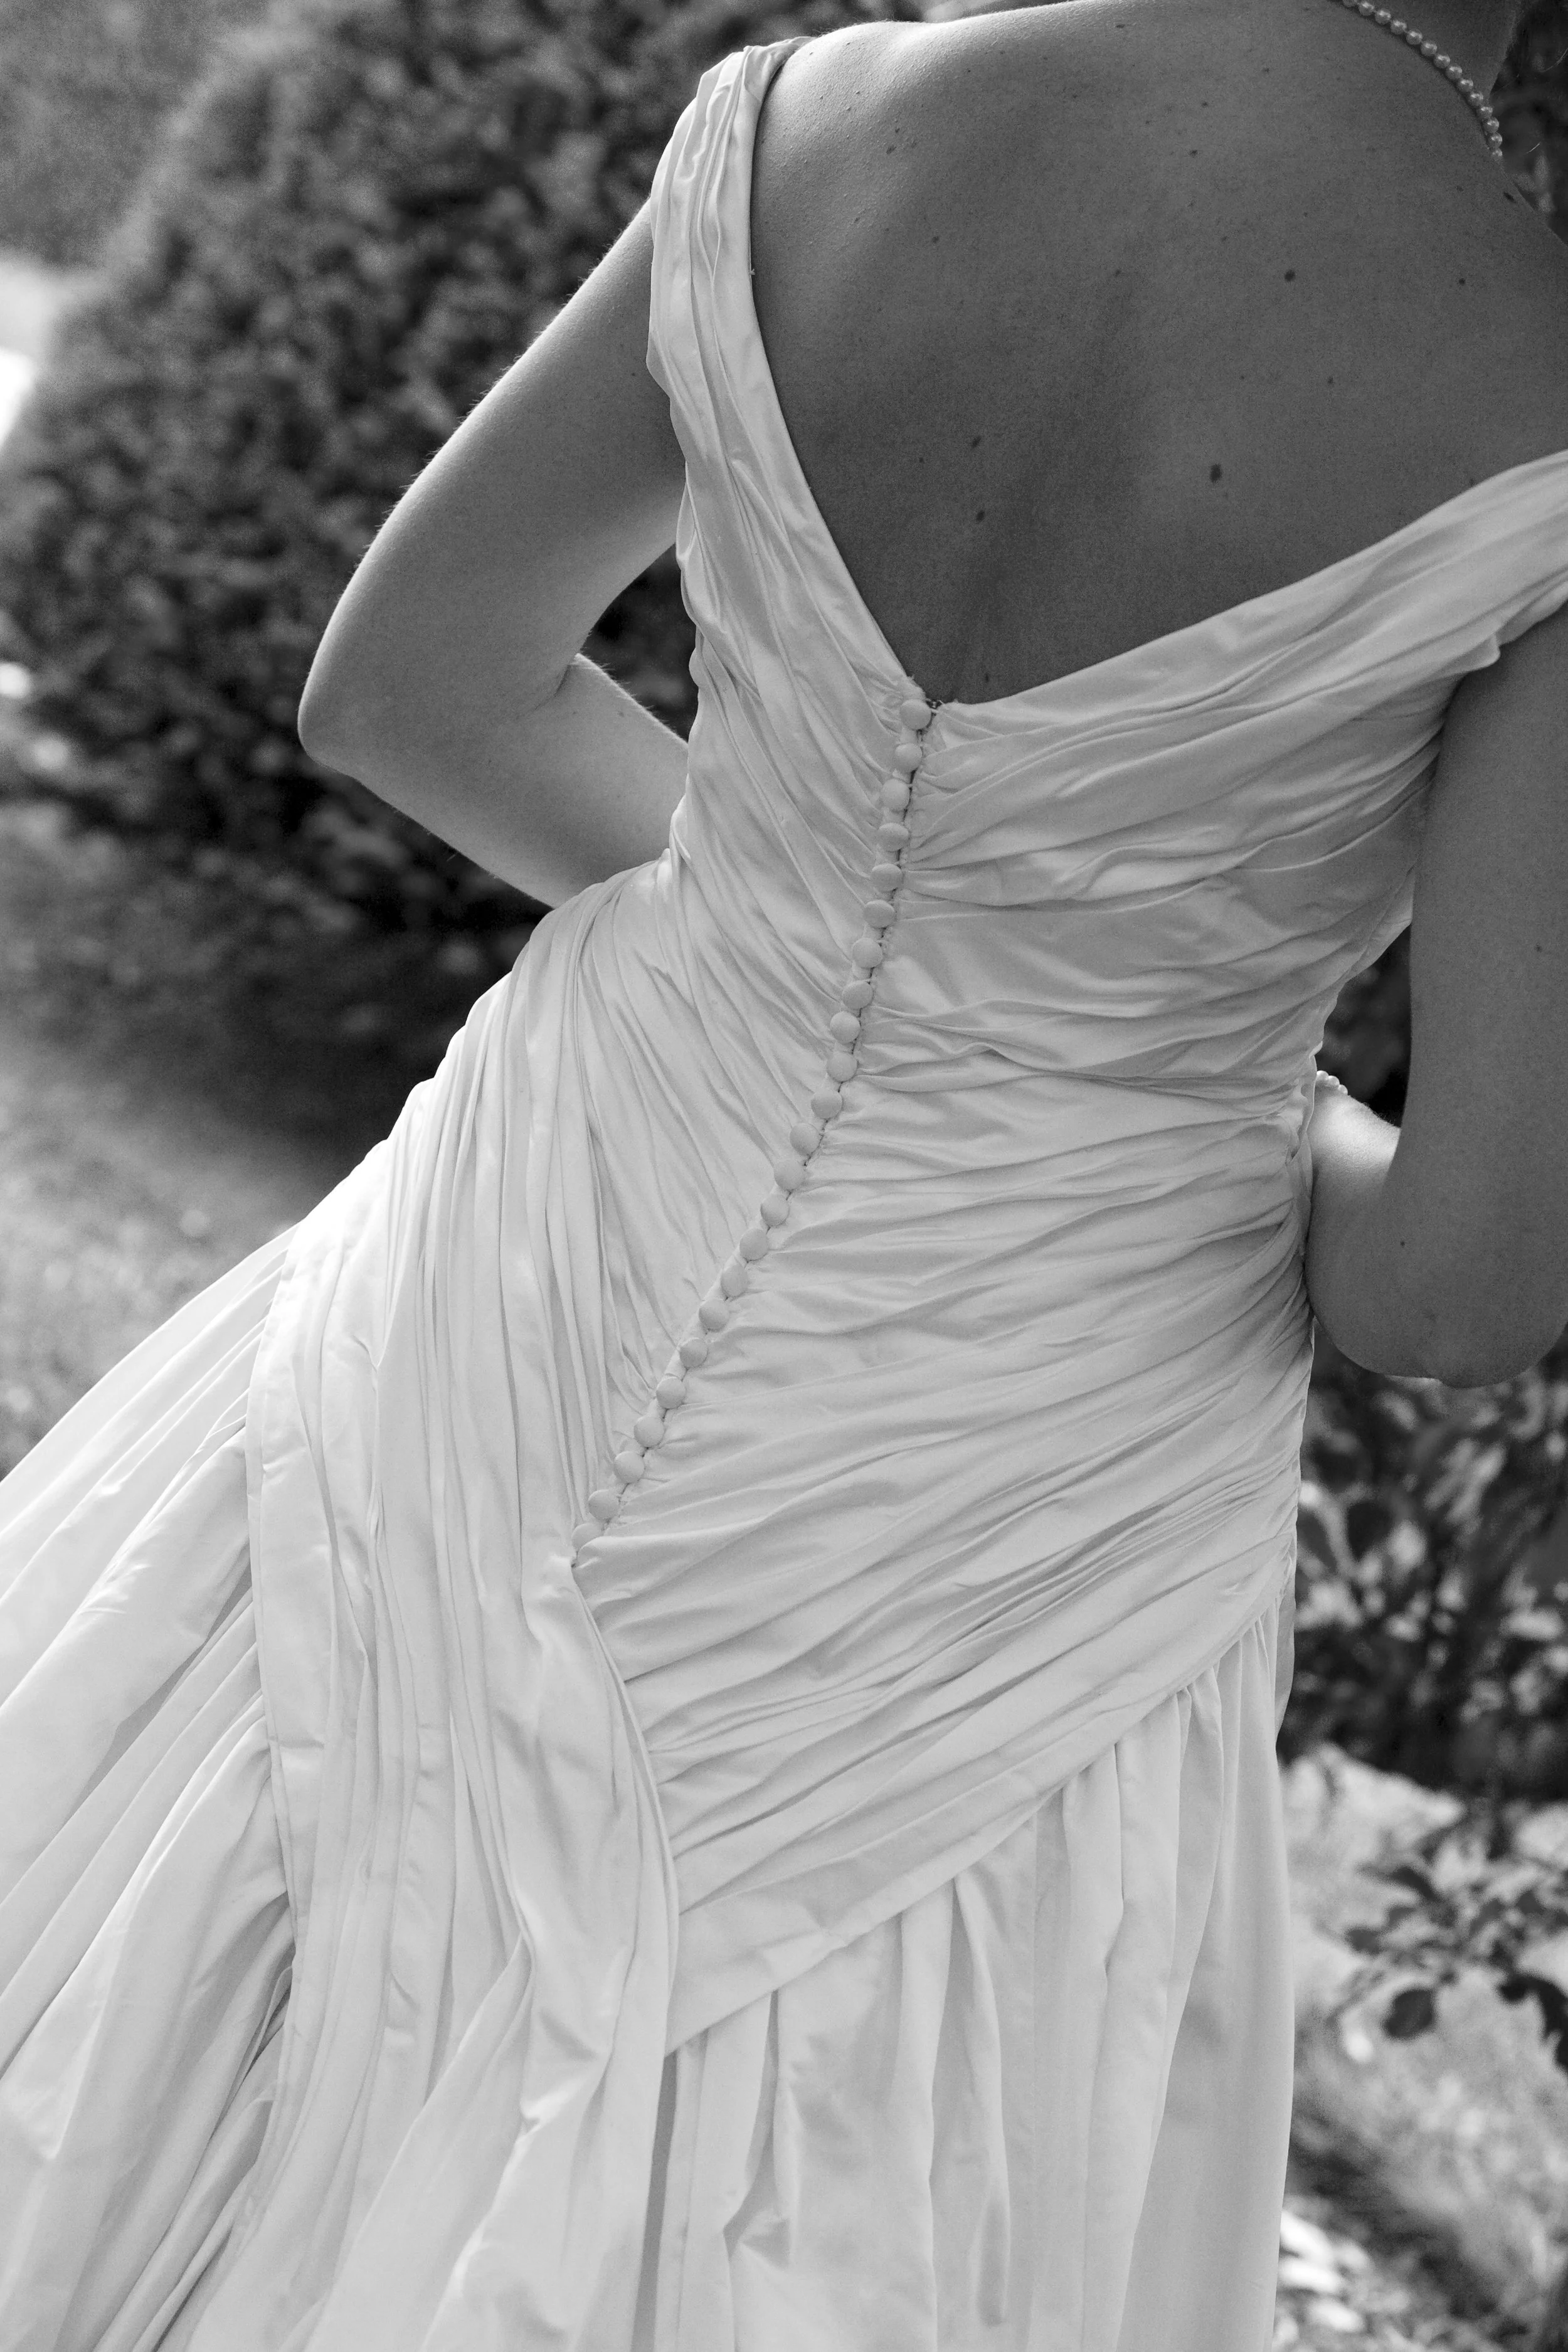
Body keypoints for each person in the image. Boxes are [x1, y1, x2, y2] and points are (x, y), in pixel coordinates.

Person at [2, 0, 1565, 2343]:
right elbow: (1453, 1290)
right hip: (1005, 1504)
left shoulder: (820, 120)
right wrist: (1108, 1056)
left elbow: (411, 683)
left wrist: (800, 925)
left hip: (535, 1254)